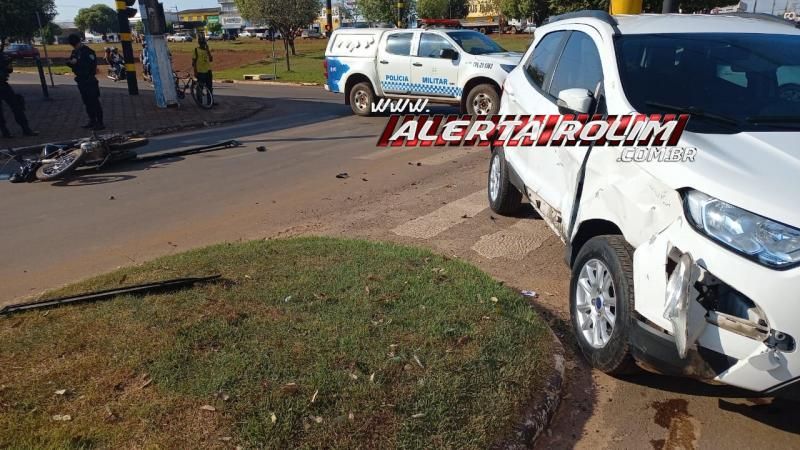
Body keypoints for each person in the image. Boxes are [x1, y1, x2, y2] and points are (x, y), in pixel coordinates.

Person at [67, 34, 105, 130]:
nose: (75, 47)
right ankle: (92, 120)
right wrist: (71, 63)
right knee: (87, 102)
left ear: (79, 42)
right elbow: (70, 62)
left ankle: (100, 123)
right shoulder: (75, 52)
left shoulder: (88, 52)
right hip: (80, 80)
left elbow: (91, 66)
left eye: (75, 45)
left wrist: (77, 63)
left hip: (89, 79)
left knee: (94, 102)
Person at [0, 51, 37, 138]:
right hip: (2, 84)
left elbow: (9, 69)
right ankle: (6, 131)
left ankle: (25, 129)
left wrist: (7, 62)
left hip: (3, 84)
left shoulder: (2, 55)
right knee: (14, 106)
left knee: (16, 105)